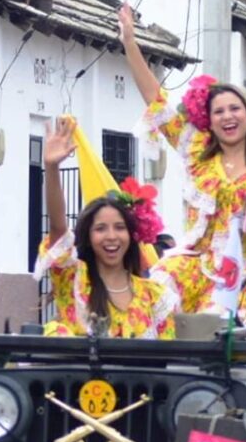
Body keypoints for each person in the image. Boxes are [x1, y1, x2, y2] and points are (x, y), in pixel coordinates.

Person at [118, 4, 246, 313]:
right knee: (153, 297)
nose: (228, 117)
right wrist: (130, 42)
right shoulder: (197, 153)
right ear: (209, 120)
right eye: (218, 112)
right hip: (196, 265)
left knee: (222, 328)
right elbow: (157, 101)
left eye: (235, 109)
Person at [36, 117, 176, 339]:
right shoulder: (74, 279)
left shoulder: (155, 295)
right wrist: (51, 168)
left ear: (131, 235)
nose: (111, 237)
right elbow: (57, 228)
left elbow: (168, 358)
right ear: (88, 237)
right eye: (100, 229)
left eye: (119, 228)